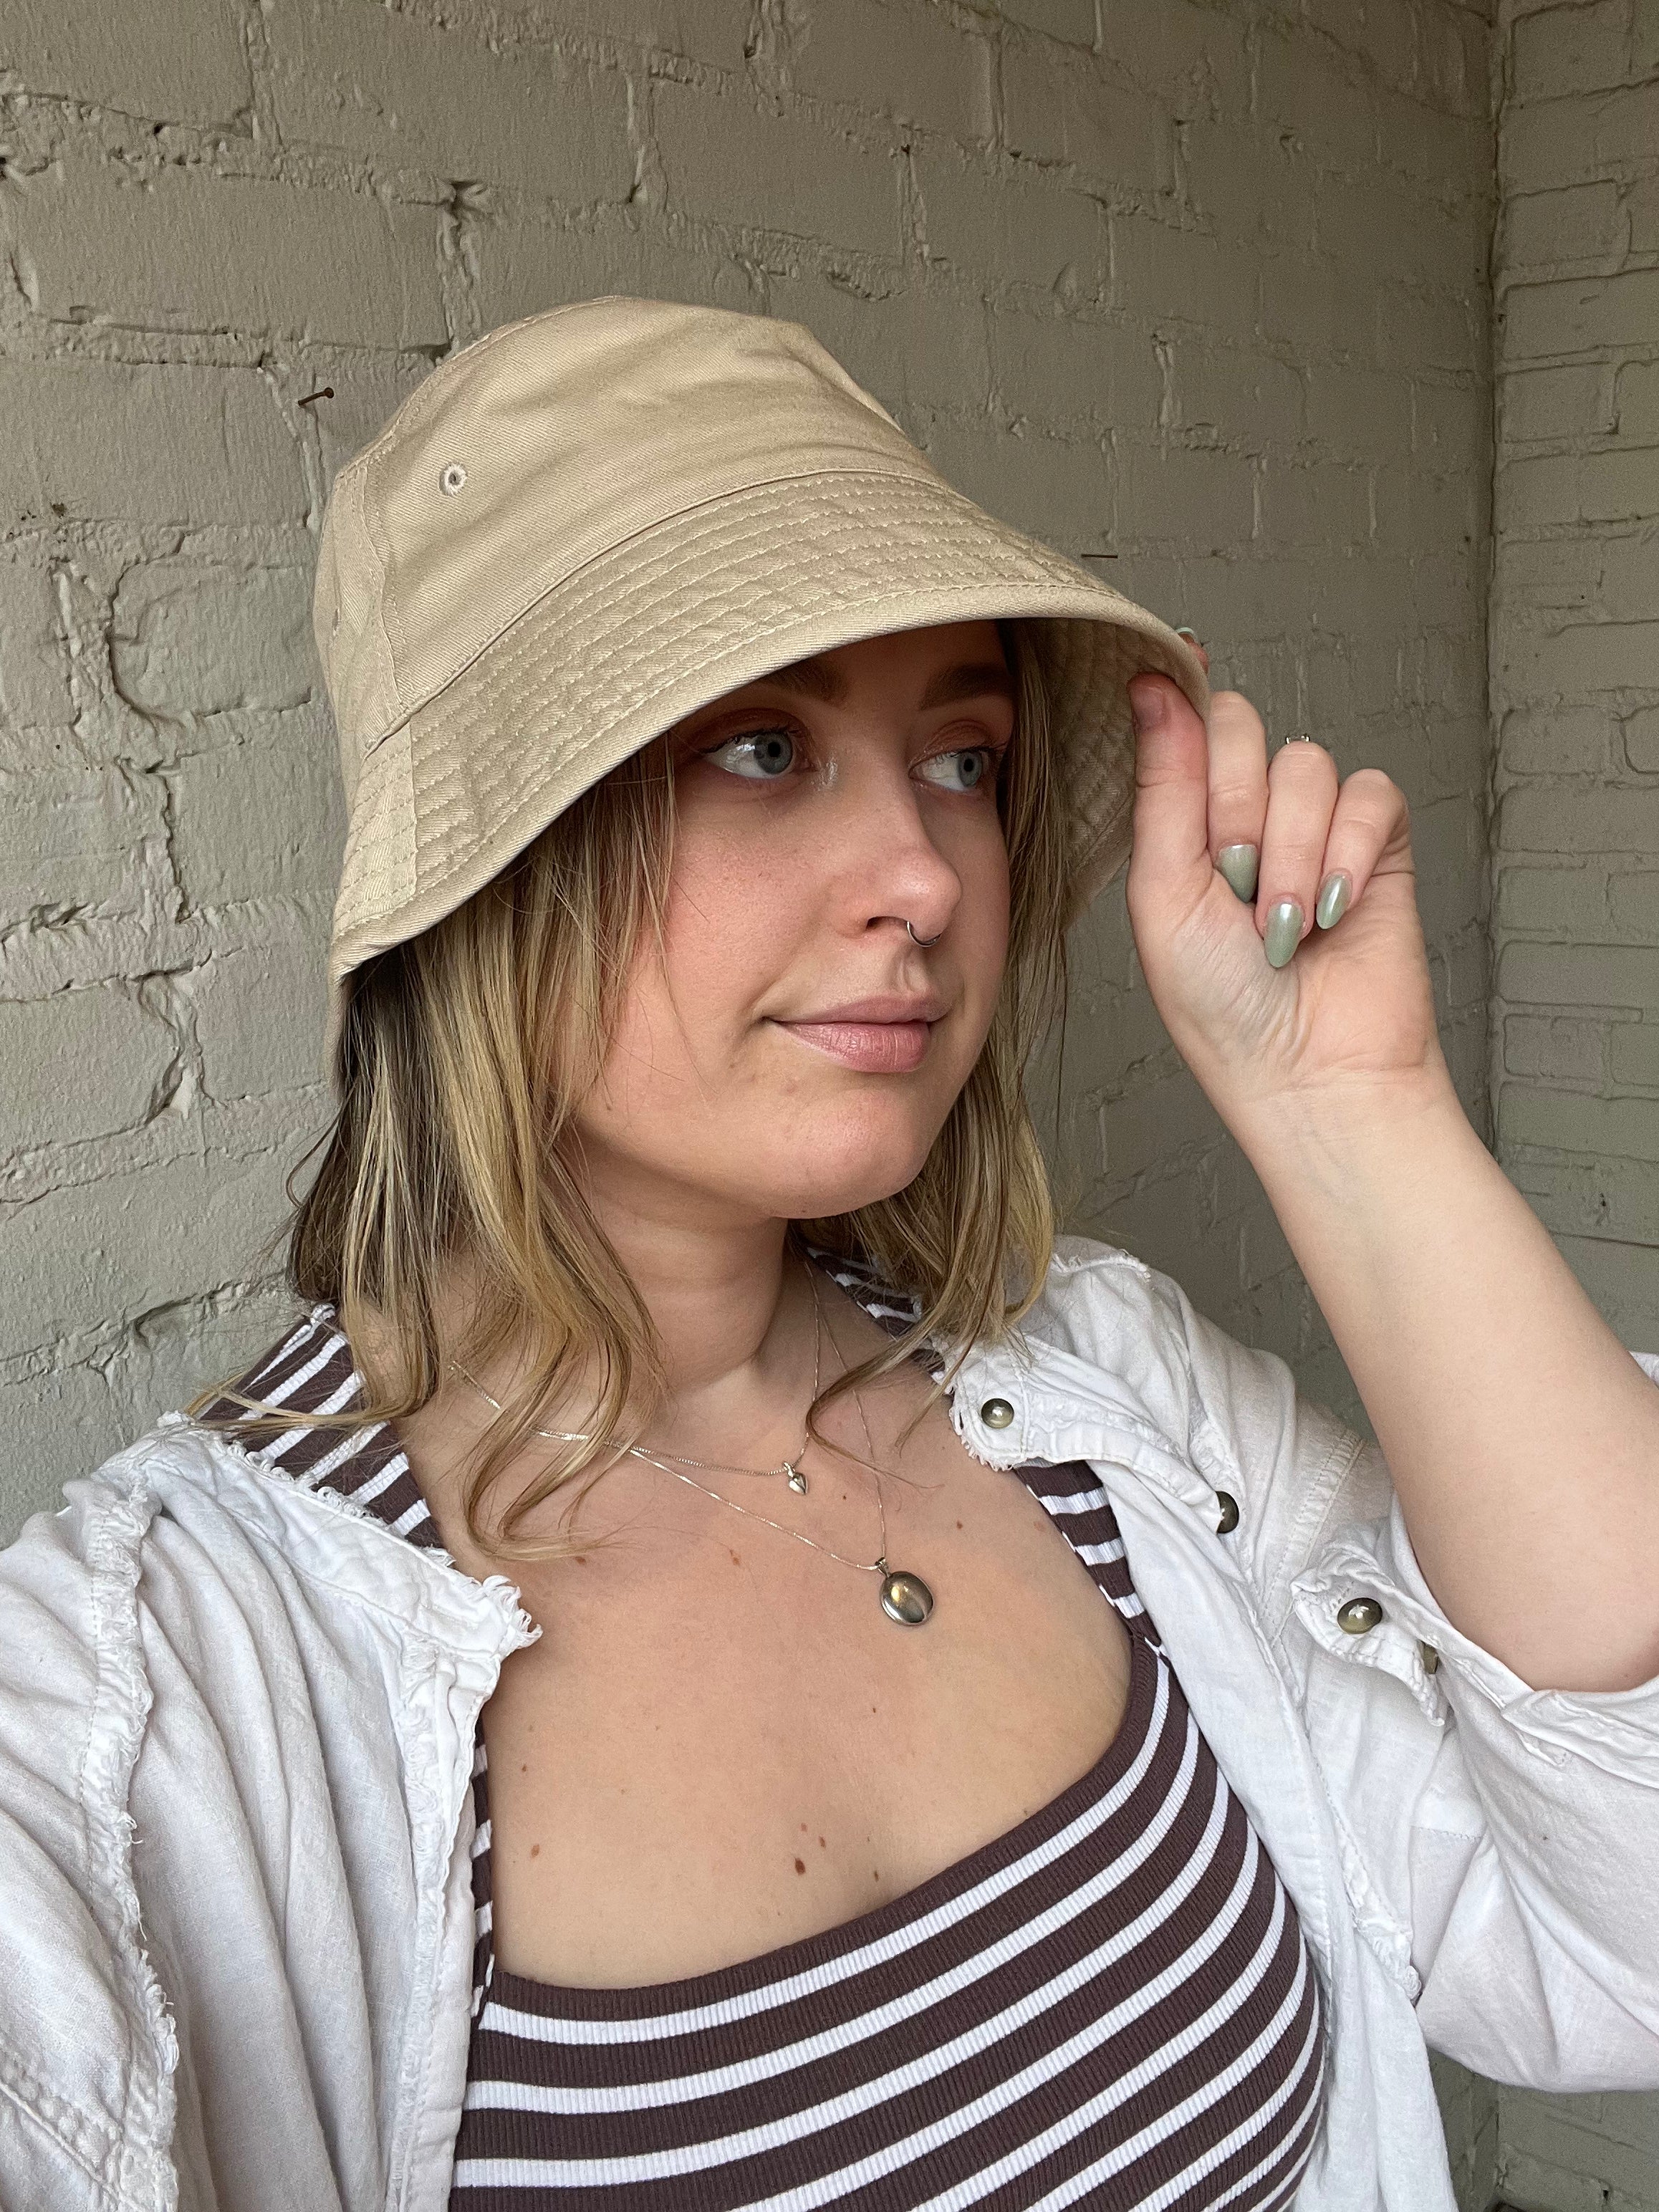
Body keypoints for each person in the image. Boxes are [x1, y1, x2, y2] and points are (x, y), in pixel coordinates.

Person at [1, 297, 1655, 2212]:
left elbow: (1621, 1937)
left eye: (960, 758)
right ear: (478, 859)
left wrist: (1352, 1107)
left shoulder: (1109, 1393)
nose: (928, 877)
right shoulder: (149, 1708)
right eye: (765, 744)